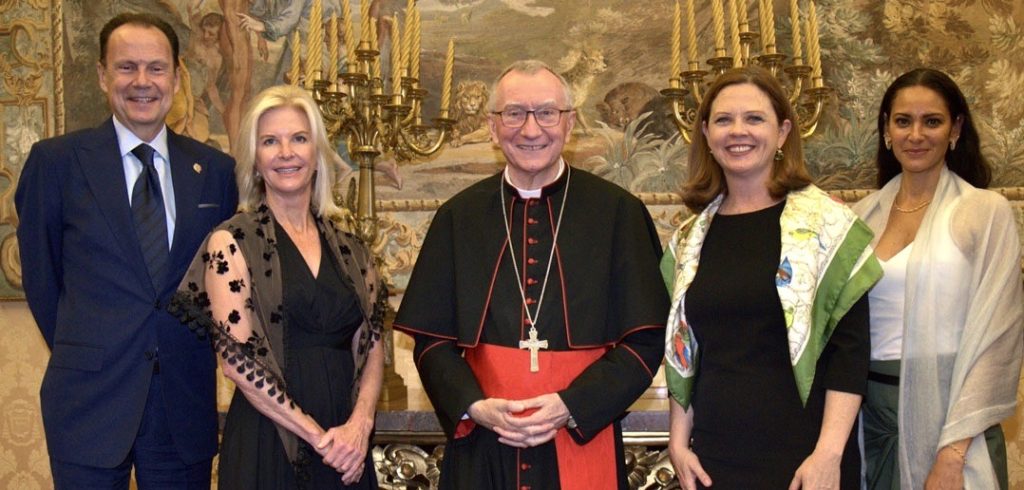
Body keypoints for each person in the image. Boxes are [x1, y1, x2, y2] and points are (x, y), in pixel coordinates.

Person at [393, 60, 670, 489]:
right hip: (486, 441)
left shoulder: (617, 213)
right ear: (491, 126)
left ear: (569, 122)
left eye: (546, 112)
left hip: (582, 431)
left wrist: (572, 404)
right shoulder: (458, 218)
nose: (531, 129)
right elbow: (432, 343)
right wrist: (475, 405)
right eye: (514, 113)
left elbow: (646, 340)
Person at [14, 13, 238, 487]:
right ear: (101, 75)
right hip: (88, 403)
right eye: (126, 67)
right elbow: (41, 276)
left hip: (182, 404)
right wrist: (92, 346)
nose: (142, 82)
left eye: (156, 68)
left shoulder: (216, 170)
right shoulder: (56, 164)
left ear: (177, 78)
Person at [662, 66, 881, 490]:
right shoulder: (689, 239)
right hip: (713, 460)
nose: (737, 131)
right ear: (705, 133)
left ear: (782, 132)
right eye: (723, 120)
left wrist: (828, 454)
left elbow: (849, 354)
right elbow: (686, 352)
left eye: (754, 118)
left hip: (804, 459)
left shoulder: (828, 227)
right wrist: (677, 442)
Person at [170, 84, 385, 488]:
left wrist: (360, 424)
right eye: (270, 141)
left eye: (299, 139)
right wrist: (319, 438)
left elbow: (372, 343)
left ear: (318, 155)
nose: (286, 152)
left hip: (348, 446)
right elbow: (237, 363)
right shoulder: (230, 242)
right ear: (254, 160)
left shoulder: (351, 246)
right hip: (269, 442)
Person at [852, 68, 1024, 490]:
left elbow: (999, 339)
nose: (916, 135)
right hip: (869, 420)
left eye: (932, 121)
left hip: (953, 421)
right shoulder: (858, 217)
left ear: (955, 129)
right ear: (887, 130)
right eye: (903, 121)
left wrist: (953, 452)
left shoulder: (984, 211)